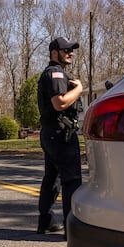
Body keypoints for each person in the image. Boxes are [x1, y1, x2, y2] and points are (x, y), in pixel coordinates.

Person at [36, 37, 84, 235]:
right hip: (60, 134)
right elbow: (60, 103)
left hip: (51, 134)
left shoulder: (54, 73)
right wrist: (80, 88)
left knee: (52, 179)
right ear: (54, 52)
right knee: (71, 180)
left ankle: (45, 221)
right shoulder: (56, 73)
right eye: (66, 50)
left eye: (71, 50)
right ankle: (72, 229)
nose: (70, 53)